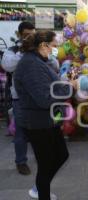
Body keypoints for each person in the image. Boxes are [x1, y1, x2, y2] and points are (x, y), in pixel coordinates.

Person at [14, 30, 76, 200]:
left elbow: (50, 87)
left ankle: (40, 187)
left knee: (61, 155)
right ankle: (42, 191)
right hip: (38, 123)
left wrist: (66, 84)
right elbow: (44, 98)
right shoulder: (31, 65)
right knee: (45, 163)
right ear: (43, 45)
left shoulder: (37, 62)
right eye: (53, 46)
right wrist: (71, 87)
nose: (54, 50)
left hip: (49, 121)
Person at [1, 21, 35, 175]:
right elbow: (7, 65)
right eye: (26, 35)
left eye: (31, 34)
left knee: (38, 129)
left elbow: (52, 63)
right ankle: (21, 162)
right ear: (20, 35)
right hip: (19, 99)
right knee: (21, 132)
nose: (29, 38)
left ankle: (41, 158)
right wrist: (23, 51)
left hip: (37, 97)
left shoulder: (38, 48)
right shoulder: (13, 50)